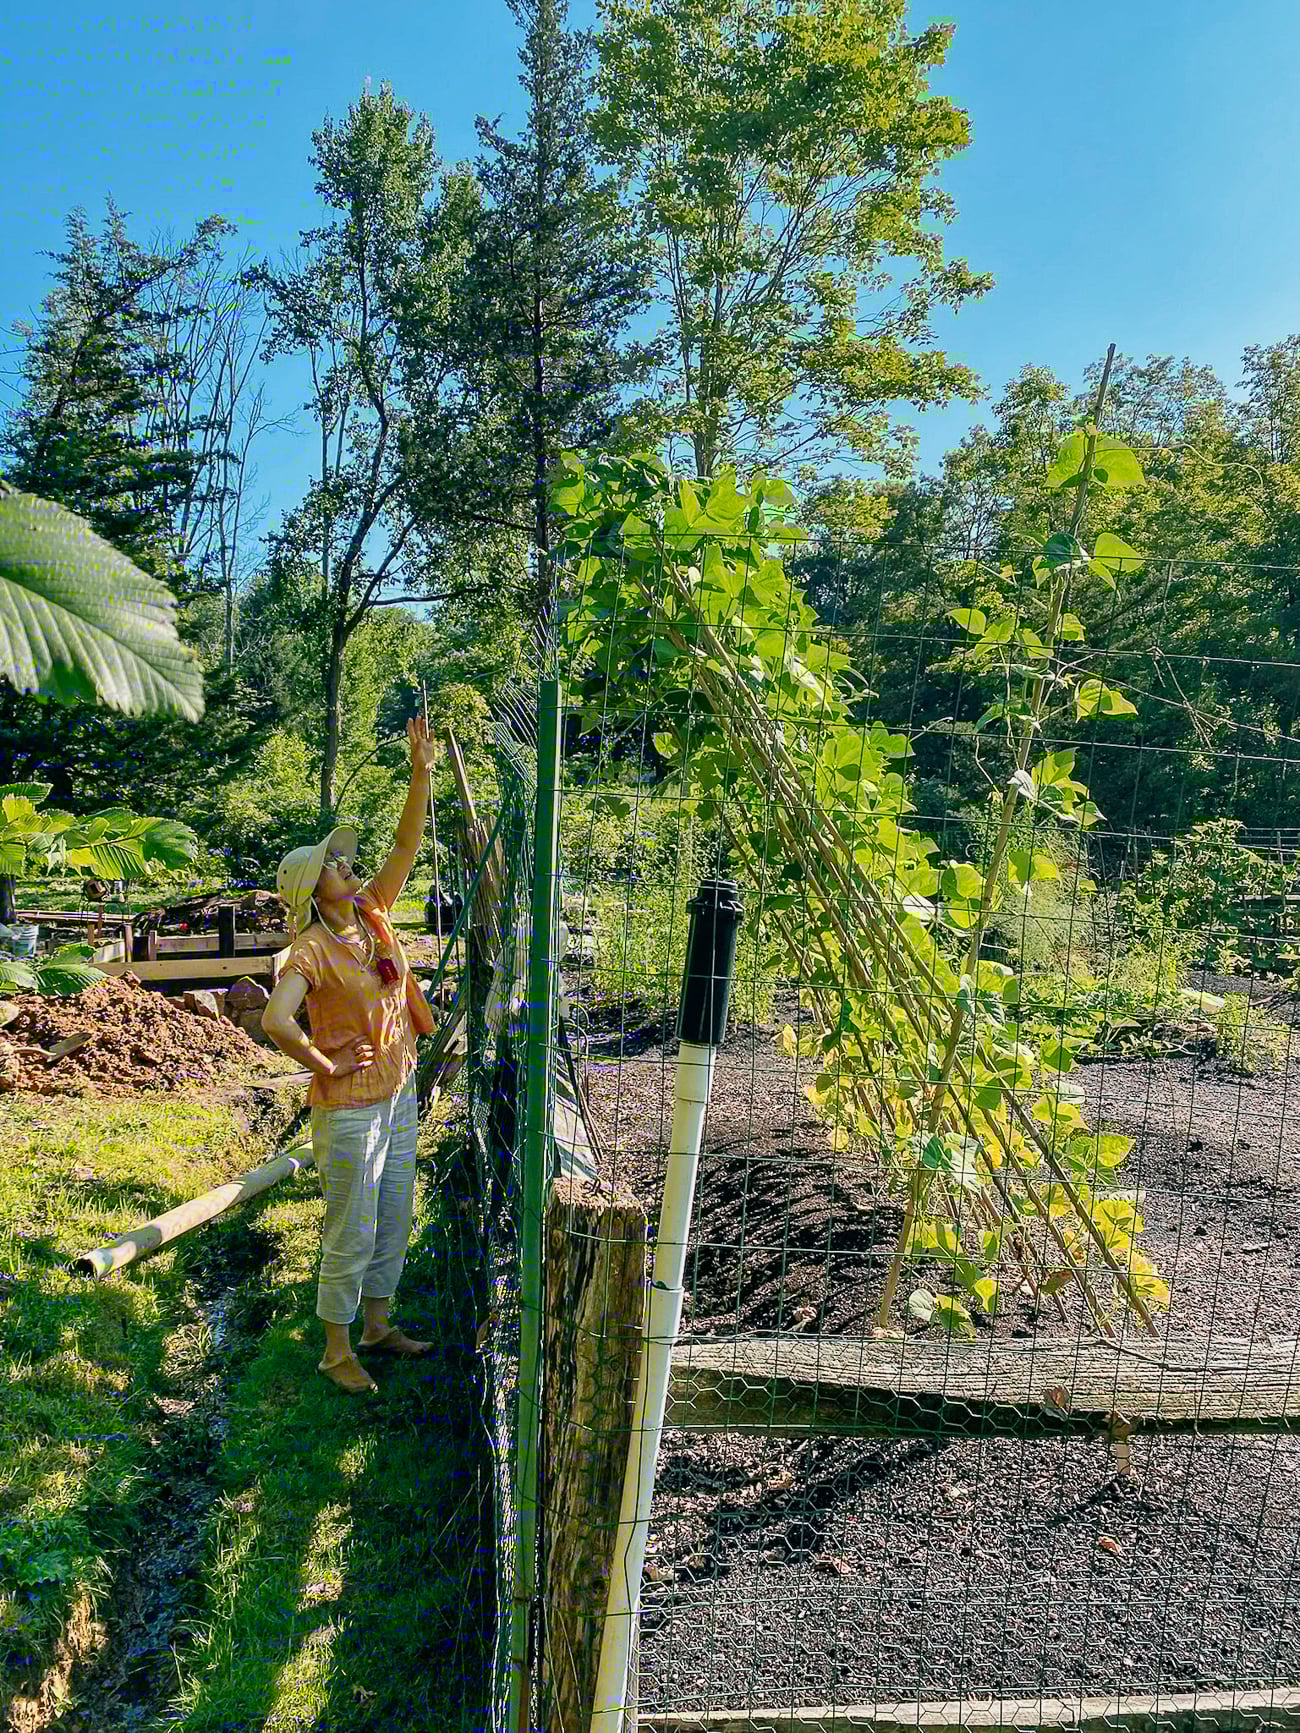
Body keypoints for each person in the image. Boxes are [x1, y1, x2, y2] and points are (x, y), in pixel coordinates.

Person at [262, 715, 440, 1395]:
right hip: (352, 1106)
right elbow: (279, 1019)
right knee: (352, 1226)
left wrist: (420, 772)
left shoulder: (371, 912)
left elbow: (404, 841)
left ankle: (377, 1324)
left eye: (342, 858)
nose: (347, 864)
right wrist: (324, 1062)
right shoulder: (309, 948)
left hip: (398, 1092)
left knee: (395, 1210)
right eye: (333, 863)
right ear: (313, 891)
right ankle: (336, 1350)